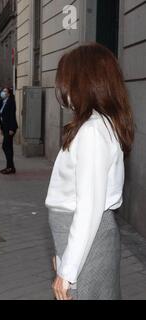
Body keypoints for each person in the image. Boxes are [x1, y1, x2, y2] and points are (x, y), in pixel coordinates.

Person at [46, 43, 135, 300]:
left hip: (86, 235)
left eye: (65, 79)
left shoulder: (93, 131)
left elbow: (89, 208)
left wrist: (68, 270)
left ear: (83, 82)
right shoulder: (99, 125)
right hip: (83, 235)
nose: (61, 87)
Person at [0, 87, 18, 174]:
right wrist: (2, 128)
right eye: (3, 91)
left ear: (9, 94)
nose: (3, 92)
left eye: (5, 91)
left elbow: (11, 116)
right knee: (8, 147)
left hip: (10, 128)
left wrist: (11, 129)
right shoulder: (3, 102)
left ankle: (10, 167)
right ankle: (10, 167)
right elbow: (2, 116)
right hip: (5, 128)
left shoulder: (11, 102)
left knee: (5, 146)